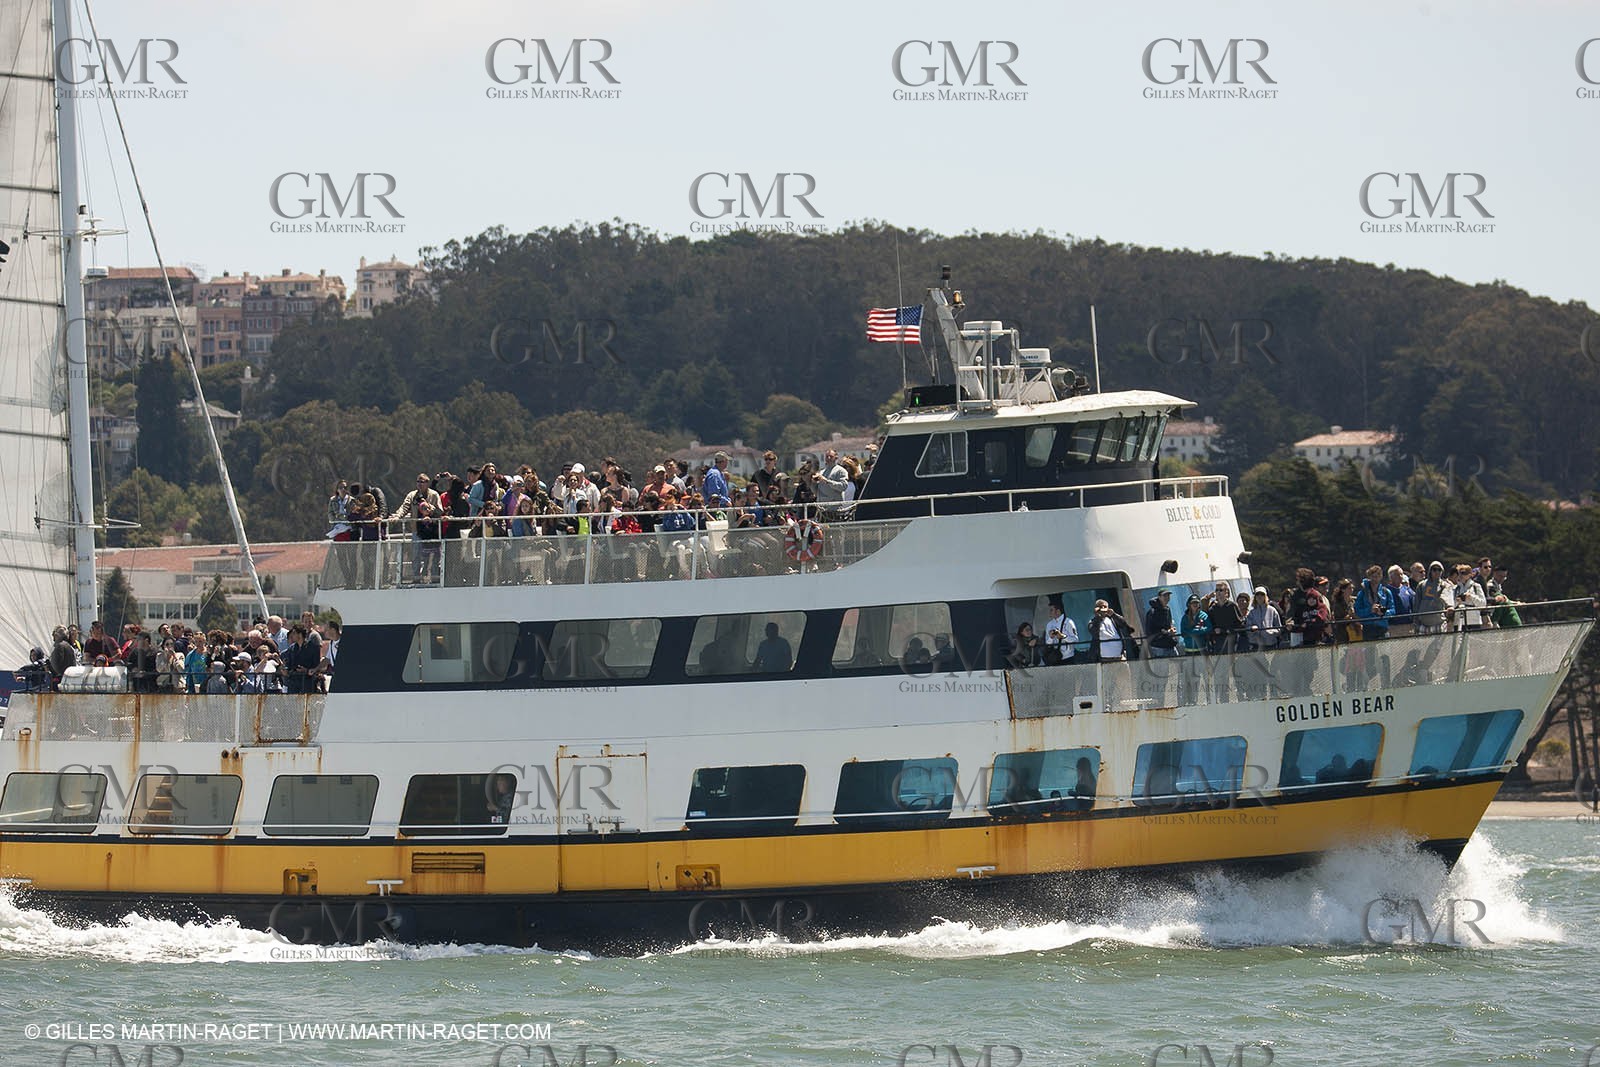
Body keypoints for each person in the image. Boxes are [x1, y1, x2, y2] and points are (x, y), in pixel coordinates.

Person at [1355, 565, 1395, 640]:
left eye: (1378, 576)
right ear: (1369, 577)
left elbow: (1393, 610)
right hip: (1368, 628)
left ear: (1381, 576)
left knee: (1385, 648)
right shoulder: (1362, 593)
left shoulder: (1386, 592)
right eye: (1373, 576)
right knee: (1369, 648)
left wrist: (1383, 612)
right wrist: (1370, 610)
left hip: (1382, 627)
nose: (1375, 579)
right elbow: (1357, 611)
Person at [1413, 561, 1449, 634]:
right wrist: (1415, 621)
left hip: (1439, 623)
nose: (1437, 572)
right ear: (1430, 571)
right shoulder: (1421, 585)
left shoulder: (1445, 585)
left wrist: (1450, 606)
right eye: (1434, 569)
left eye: (1439, 570)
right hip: (1423, 624)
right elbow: (1417, 604)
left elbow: (1448, 600)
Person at [1144, 589, 1179, 657]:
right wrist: (1165, 632)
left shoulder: (1167, 609)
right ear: (1159, 597)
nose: (1167, 598)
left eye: (1168, 595)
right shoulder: (1152, 612)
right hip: (1159, 647)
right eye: (1164, 596)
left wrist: (1172, 630)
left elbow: (1169, 624)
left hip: (1170, 644)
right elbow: (1149, 631)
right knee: (1163, 664)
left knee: (1178, 663)